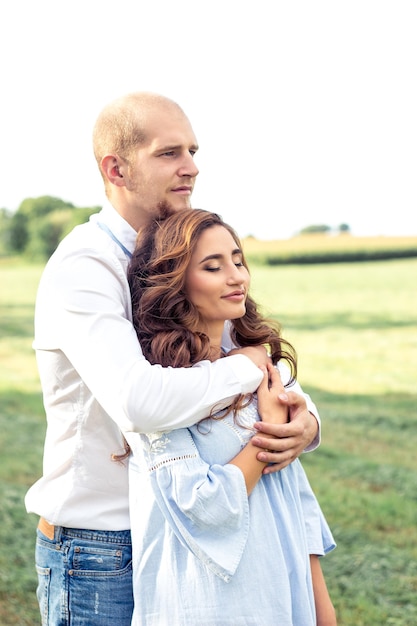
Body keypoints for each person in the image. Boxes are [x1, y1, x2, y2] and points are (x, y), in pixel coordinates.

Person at [25, 92, 321, 626]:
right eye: (169, 154)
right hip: (103, 549)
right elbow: (141, 401)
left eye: (193, 150)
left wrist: (304, 418)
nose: (192, 167)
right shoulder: (85, 265)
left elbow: (239, 351)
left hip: (181, 543)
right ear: (115, 168)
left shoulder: (177, 254)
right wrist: (248, 367)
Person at [126, 208, 337, 626]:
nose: (237, 276)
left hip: (283, 592)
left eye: (238, 260)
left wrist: (321, 608)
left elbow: (295, 497)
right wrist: (264, 435)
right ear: (175, 282)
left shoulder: (258, 370)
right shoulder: (166, 395)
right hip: (208, 604)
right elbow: (204, 507)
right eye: (213, 266)